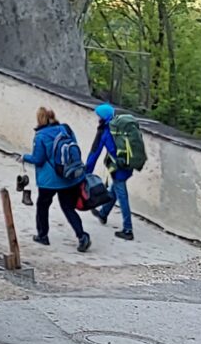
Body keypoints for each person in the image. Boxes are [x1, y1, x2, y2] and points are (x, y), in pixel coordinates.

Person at [25, 105, 92, 251]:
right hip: (70, 176)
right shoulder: (66, 129)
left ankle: (43, 235)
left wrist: (24, 157)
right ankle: (82, 236)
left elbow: (38, 159)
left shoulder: (40, 136)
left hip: (49, 181)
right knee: (68, 208)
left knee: (43, 206)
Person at [95, 102, 146, 240]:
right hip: (128, 165)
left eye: (98, 115)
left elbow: (99, 152)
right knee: (114, 190)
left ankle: (128, 229)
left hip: (119, 167)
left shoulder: (109, 131)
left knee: (122, 196)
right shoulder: (121, 127)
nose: (97, 118)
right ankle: (103, 213)